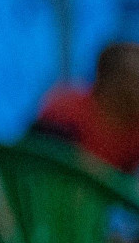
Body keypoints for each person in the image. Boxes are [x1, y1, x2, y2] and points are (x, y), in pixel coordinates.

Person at [34, 41, 139, 172]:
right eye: (134, 83)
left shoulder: (134, 132)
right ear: (110, 83)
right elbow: (35, 164)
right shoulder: (64, 113)